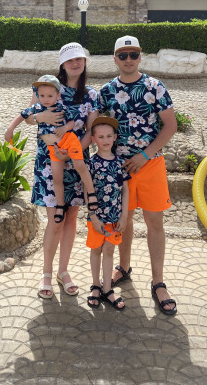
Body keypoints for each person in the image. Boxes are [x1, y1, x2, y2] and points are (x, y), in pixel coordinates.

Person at [4, 42, 99, 299]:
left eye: (79, 59)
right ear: (62, 64)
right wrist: (41, 118)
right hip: (49, 161)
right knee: (55, 220)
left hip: (76, 159)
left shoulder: (91, 94)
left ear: (84, 62)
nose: (75, 63)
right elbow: (29, 117)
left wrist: (75, 150)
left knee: (71, 219)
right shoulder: (48, 85)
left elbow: (91, 130)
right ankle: (46, 273)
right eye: (70, 60)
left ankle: (63, 271)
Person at [99, 35, 178, 316]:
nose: (128, 59)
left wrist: (145, 154)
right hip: (120, 168)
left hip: (151, 164)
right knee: (125, 220)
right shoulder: (107, 91)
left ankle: (158, 281)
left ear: (140, 56)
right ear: (115, 59)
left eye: (133, 54)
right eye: (123, 55)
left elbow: (170, 125)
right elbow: (94, 126)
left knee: (154, 221)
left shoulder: (155, 87)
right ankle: (123, 267)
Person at [18, 74, 98, 223]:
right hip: (51, 151)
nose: (46, 98)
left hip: (71, 144)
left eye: (50, 96)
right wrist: (40, 117)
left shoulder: (85, 96)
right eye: (43, 95)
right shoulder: (46, 86)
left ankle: (91, 193)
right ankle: (60, 205)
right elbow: (26, 116)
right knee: (57, 180)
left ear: (57, 95)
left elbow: (82, 126)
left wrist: (64, 130)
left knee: (80, 167)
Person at [85, 115, 130, 311]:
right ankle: (96, 286)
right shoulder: (91, 163)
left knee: (109, 251)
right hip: (97, 219)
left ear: (115, 137)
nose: (105, 140)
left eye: (109, 136)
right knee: (96, 250)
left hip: (115, 218)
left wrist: (124, 216)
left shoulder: (120, 162)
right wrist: (93, 217)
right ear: (93, 139)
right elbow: (87, 191)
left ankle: (107, 289)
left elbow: (126, 190)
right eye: (101, 136)